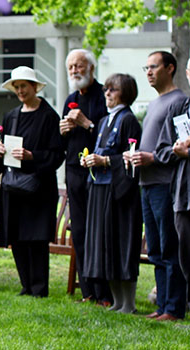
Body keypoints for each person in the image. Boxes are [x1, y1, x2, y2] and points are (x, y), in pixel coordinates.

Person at [0, 66, 65, 297]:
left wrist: (33, 156)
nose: (20, 91)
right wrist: (0, 150)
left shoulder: (49, 116)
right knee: (17, 236)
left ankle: (39, 287)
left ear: (34, 87)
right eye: (17, 87)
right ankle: (26, 285)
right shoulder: (11, 116)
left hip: (39, 188)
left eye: (24, 86)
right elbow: (2, 153)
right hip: (14, 186)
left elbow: (57, 154)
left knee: (37, 238)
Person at [129, 51, 187, 321]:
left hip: (165, 183)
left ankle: (174, 308)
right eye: (146, 67)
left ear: (171, 68)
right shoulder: (154, 103)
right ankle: (163, 304)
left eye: (154, 67)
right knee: (154, 248)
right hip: (146, 182)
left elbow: (179, 146)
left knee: (169, 247)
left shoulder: (179, 102)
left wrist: (153, 157)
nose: (149, 72)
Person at [81, 73, 143, 314]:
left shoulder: (129, 120)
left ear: (125, 93)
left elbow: (132, 157)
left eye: (113, 90)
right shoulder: (105, 120)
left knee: (120, 243)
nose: (107, 93)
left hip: (118, 192)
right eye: (105, 89)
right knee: (105, 245)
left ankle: (129, 303)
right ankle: (117, 301)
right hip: (99, 188)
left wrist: (105, 160)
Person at [59, 49, 114, 306]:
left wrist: (86, 124)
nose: (74, 72)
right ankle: (87, 291)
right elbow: (63, 140)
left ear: (91, 68)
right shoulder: (70, 98)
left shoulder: (105, 96)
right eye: (70, 67)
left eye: (79, 66)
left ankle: (105, 293)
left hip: (99, 171)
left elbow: (108, 136)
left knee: (98, 231)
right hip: (74, 171)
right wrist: (63, 130)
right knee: (79, 230)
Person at [156, 60, 190, 309]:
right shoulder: (180, 108)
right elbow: (161, 151)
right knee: (185, 255)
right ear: (187, 74)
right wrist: (177, 151)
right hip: (184, 196)